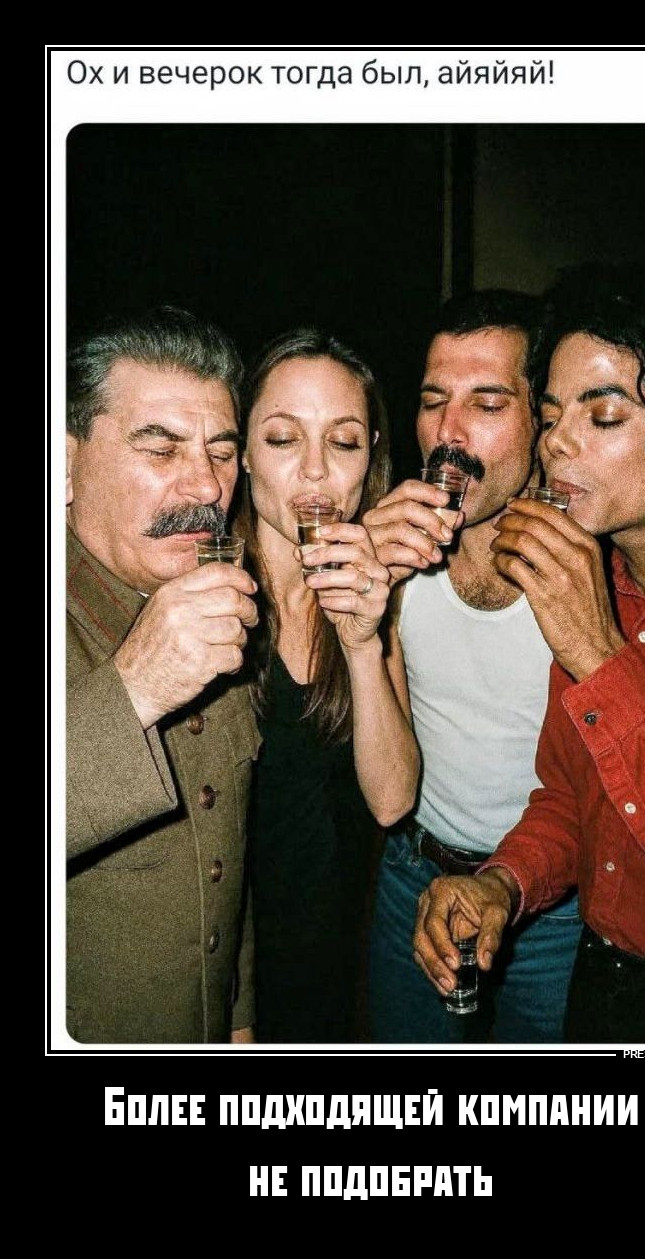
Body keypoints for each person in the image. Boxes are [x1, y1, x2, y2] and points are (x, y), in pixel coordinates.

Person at [413, 265, 645, 1043]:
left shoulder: (588, 617)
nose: (557, 441)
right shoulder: (604, 583)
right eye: (554, 414)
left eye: (604, 413)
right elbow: (569, 797)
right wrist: (502, 883)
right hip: (600, 977)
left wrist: (597, 654)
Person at [364, 290, 582, 1044]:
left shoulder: (587, 563)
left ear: (541, 422)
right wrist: (364, 599)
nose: (448, 432)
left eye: (487, 403)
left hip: (552, 911)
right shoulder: (391, 547)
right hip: (414, 875)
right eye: (434, 402)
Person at [66, 306, 261, 1044]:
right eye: (161, 448)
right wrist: (134, 689)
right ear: (64, 464)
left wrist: (237, 1019)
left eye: (222, 452)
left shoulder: (218, 600)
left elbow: (223, 851)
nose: (207, 487)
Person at [234, 329, 419, 1043]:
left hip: (332, 951)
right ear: (242, 452)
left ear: (371, 458)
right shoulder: (204, 588)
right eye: (283, 438)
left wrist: (362, 642)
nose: (315, 471)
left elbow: (392, 798)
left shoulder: (371, 592)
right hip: (226, 957)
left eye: (343, 442)